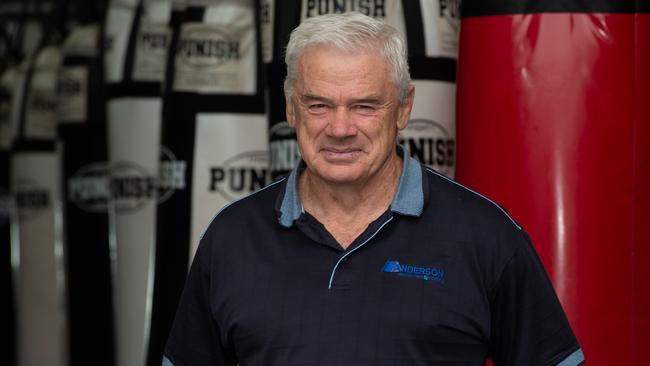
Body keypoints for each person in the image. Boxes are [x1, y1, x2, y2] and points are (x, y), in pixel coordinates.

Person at [163, 12, 584, 366]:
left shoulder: (485, 235)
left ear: (404, 108)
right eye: (318, 105)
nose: (341, 128)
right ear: (290, 108)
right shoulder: (232, 238)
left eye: (365, 106)